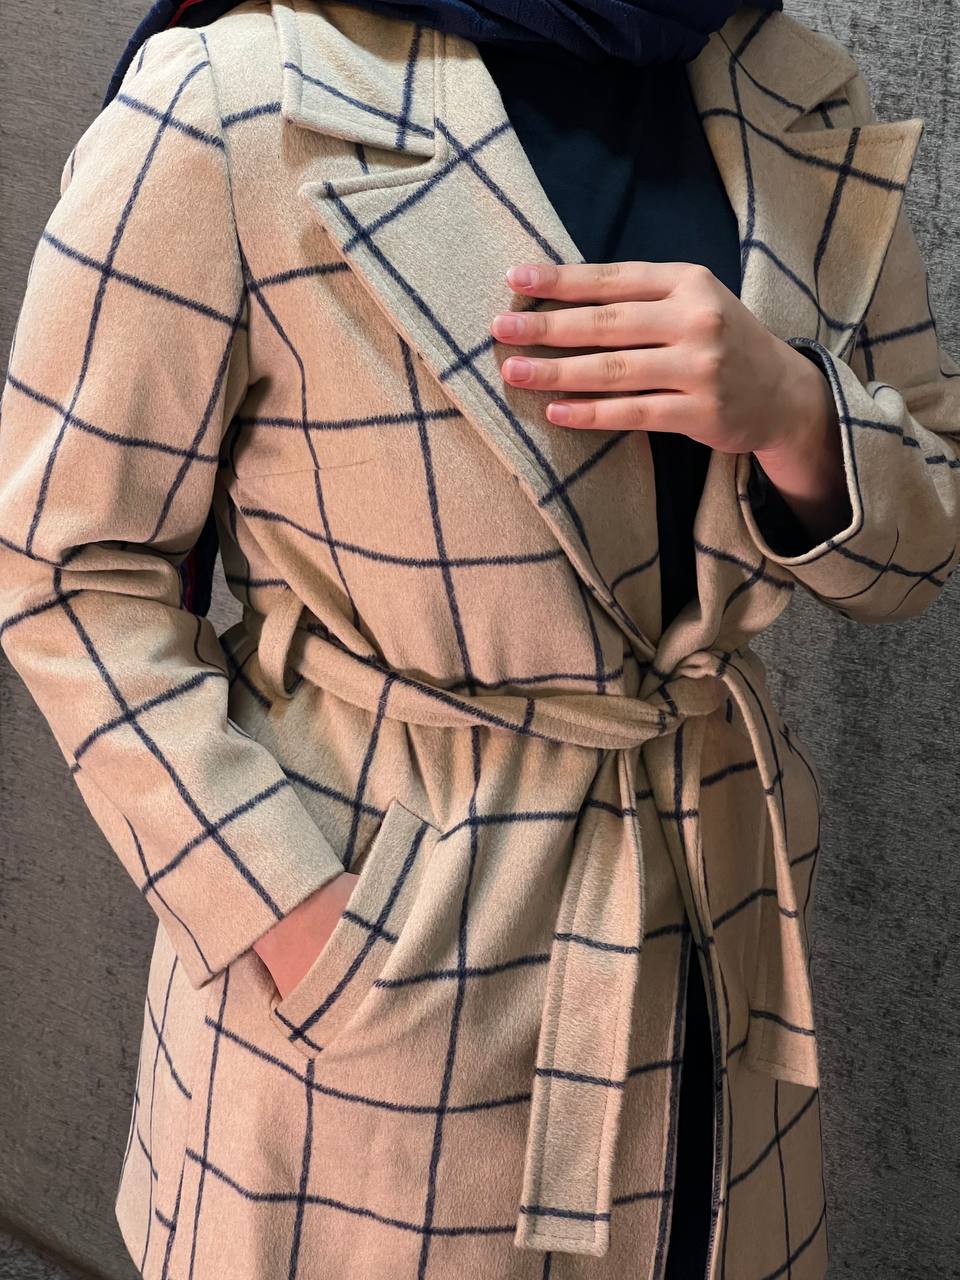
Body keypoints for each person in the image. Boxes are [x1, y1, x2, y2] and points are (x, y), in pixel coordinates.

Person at [0, 1, 956, 1277]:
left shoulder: (791, 85)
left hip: (714, 931)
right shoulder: (227, 99)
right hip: (382, 966)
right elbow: (66, 570)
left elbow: (923, 538)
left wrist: (796, 412)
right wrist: (292, 915)